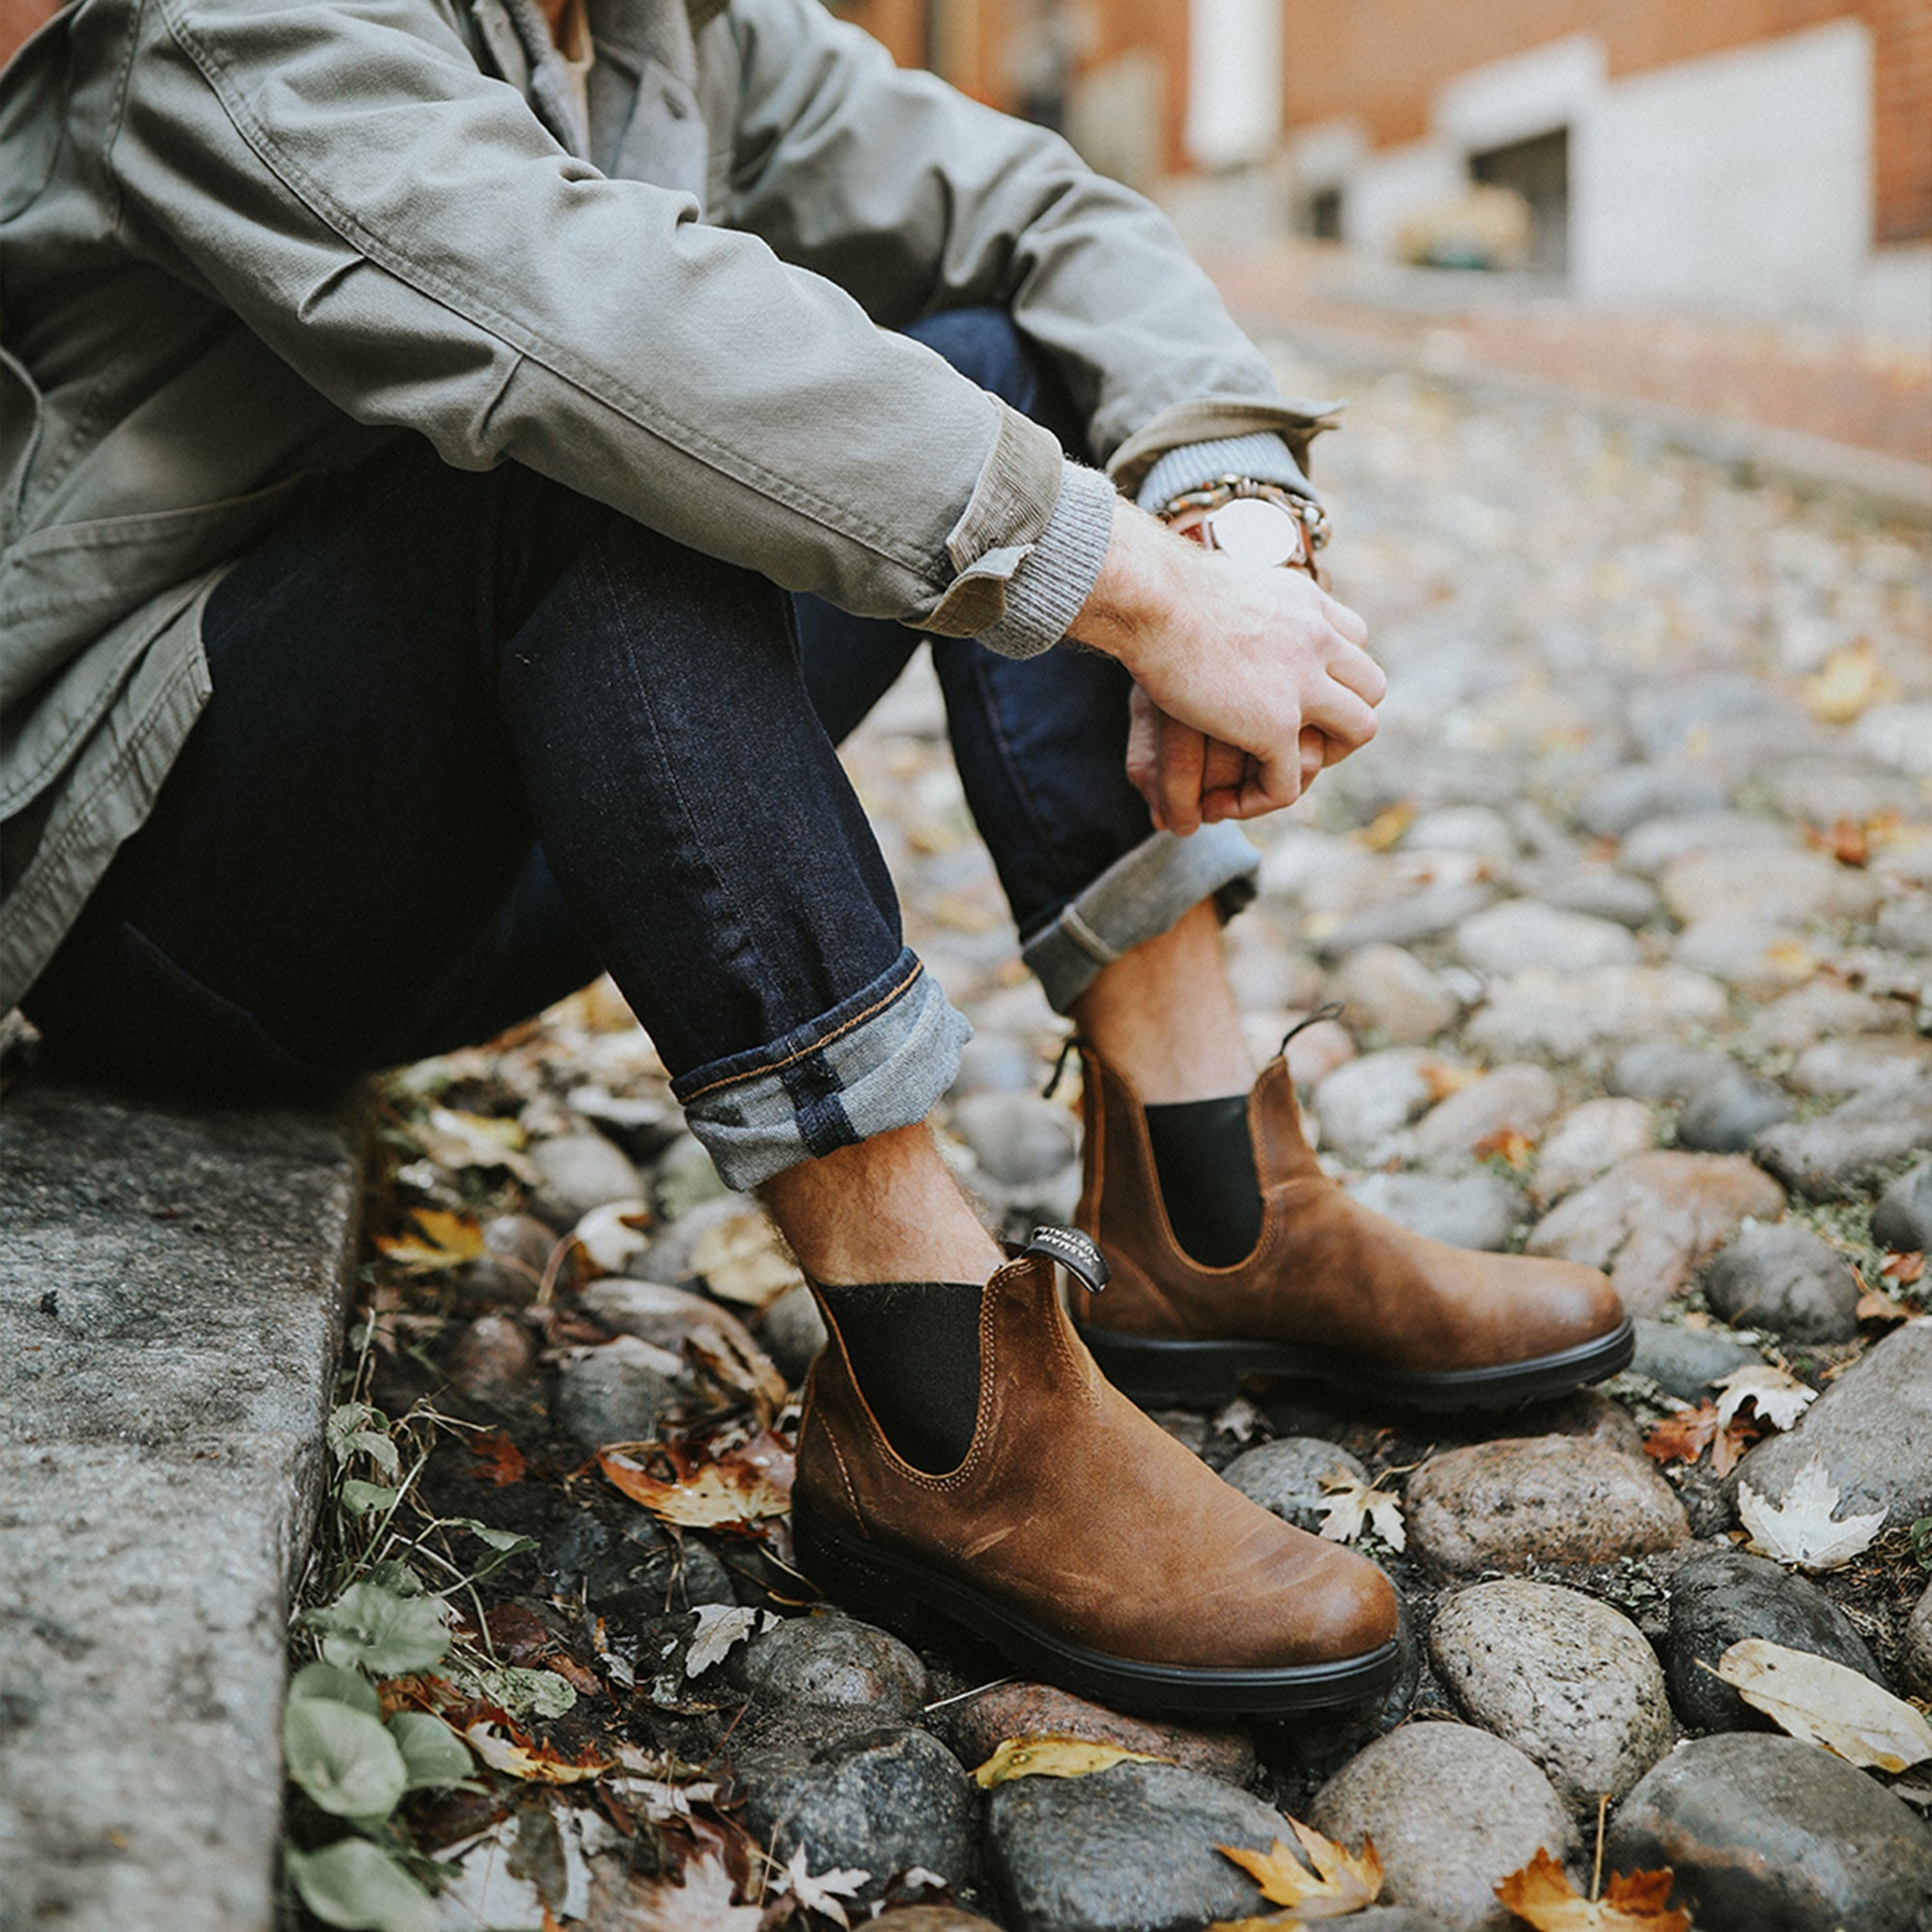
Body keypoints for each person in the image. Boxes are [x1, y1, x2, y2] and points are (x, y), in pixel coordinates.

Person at [0, 0, 1630, 1714]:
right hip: (162, 897)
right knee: (605, 438)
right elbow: (592, 329)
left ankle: (1203, 1198)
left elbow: (1046, 210)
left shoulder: (677, 30)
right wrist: (1144, 595)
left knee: (1020, 344)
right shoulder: (238, 21)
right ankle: (941, 1400)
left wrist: (1225, 503)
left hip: (481, 840)